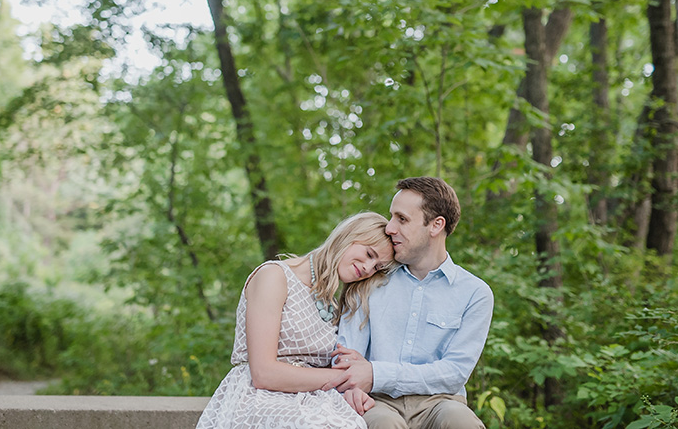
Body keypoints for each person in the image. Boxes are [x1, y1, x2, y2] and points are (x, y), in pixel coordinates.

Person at [196, 211, 396, 429]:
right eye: (369, 254)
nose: (368, 268)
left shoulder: (334, 303)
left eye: (376, 267)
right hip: (260, 398)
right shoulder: (274, 276)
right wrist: (345, 377)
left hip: (311, 400)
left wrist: (353, 384)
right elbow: (263, 374)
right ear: (349, 236)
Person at [326, 177, 494, 429]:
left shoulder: (475, 293)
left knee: (460, 421)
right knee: (382, 424)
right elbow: (347, 353)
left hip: (440, 402)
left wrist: (376, 373)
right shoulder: (372, 277)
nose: (389, 228)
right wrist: (352, 386)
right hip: (377, 400)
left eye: (401, 219)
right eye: (391, 217)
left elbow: (453, 373)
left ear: (436, 225)